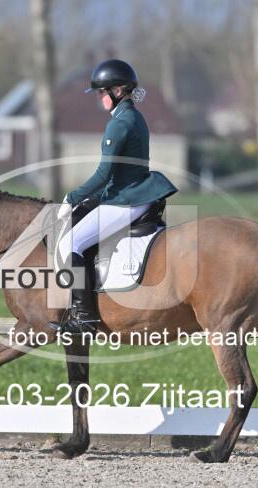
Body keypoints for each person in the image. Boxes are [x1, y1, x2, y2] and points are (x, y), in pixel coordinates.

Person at [48, 59, 178, 334]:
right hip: (136, 192)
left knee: (70, 242)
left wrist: (72, 197)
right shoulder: (135, 117)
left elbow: (103, 174)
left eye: (101, 92)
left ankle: (84, 318)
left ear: (117, 91)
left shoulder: (119, 124)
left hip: (126, 199)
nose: (99, 98)